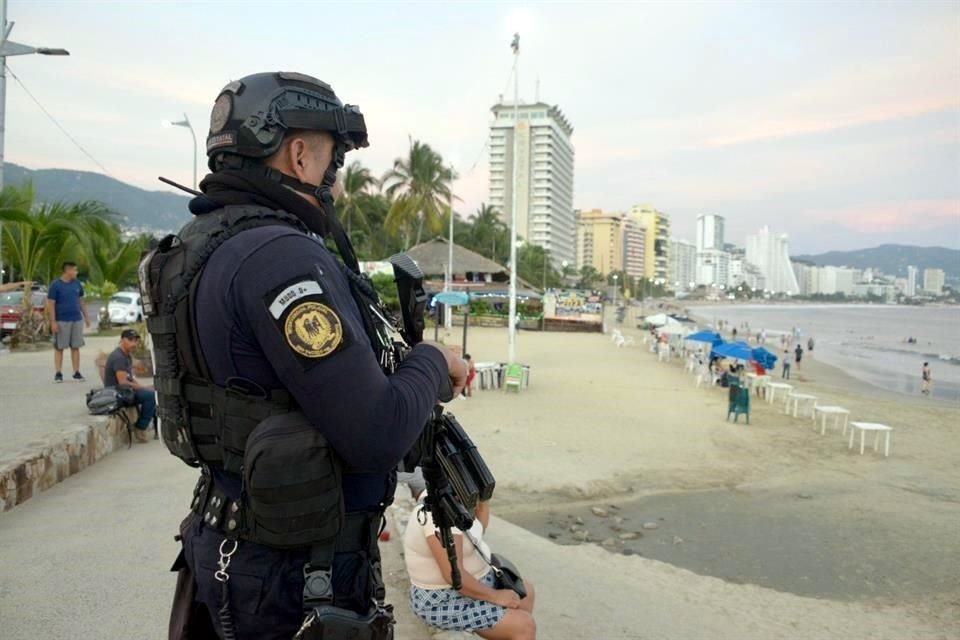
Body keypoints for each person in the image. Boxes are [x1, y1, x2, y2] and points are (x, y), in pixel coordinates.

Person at [145, 73, 468, 640]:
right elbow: (376, 430)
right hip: (291, 578)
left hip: (227, 544)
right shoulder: (282, 257)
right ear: (299, 156)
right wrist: (434, 362)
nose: (338, 188)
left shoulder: (200, 245)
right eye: (335, 166)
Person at [404, 495, 536, 639]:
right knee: (524, 626)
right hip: (443, 599)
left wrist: (483, 501)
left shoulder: (458, 497)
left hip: (474, 583)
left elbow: (476, 535)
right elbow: (453, 575)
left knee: (526, 593)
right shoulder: (437, 513)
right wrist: (495, 596)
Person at [102, 328, 156, 443]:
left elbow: (129, 378)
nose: (134, 343)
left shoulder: (125, 355)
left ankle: (157, 429)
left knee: (154, 392)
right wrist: (142, 388)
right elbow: (123, 382)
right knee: (151, 397)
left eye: (136, 340)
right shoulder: (118, 357)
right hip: (118, 394)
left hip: (125, 391)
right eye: (130, 340)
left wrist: (144, 387)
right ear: (122, 340)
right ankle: (140, 428)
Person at [46, 261, 90, 382]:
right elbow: (51, 304)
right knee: (59, 347)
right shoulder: (55, 285)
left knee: (75, 347)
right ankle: (58, 373)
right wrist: (53, 321)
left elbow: (81, 301)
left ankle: (76, 372)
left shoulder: (77, 284)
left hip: (76, 319)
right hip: (61, 320)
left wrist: (86, 317)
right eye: (75, 270)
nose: (76, 272)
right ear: (68, 271)